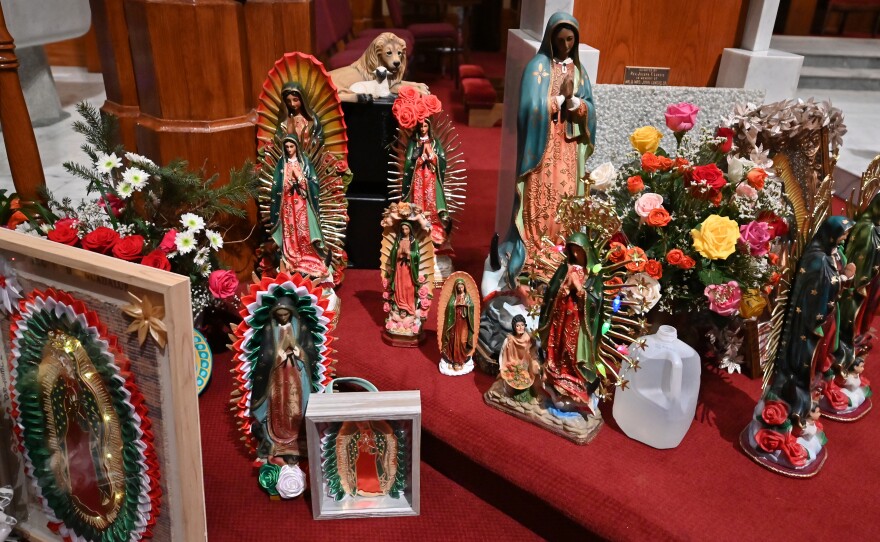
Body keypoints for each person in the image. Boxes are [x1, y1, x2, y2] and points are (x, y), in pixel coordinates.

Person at [502, 12, 596, 285]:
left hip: (567, 149)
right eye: (561, 39)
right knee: (539, 196)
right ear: (551, 39)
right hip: (541, 148)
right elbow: (528, 109)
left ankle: (561, 251)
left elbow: (591, 108)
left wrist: (577, 106)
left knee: (564, 196)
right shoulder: (537, 67)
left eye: (570, 40)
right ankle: (534, 252)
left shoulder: (579, 72)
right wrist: (556, 101)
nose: (566, 45)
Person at [538, 232, 605, 410]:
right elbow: (553, 292)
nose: (575, 255)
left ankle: (574, 379)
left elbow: (595, 301)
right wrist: (565, 289)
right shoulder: (566, 268)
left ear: (587, 252)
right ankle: (557, 374)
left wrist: (580, 289)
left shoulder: (593, 274)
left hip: (579, 321)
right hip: (562, 317)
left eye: (579, 251)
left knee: (572, 349)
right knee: (559, 345)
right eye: (573, 251)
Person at [252, 299, 313, 463]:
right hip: (278, 375)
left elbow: (309, 349)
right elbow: (266, 353)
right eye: (280, 316)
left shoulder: (299, 326)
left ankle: (296, 437)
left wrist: (298, 351)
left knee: (296, 407)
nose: (283, 318)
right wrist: (278, 355)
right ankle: (277, 439)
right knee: (280, 404)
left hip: (297, 374)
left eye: (286, 315)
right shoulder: (271, 328)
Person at [269, 136, 329, 279]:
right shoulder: (282, 164)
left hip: (302, 204)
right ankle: (291, 258)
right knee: (290, 232)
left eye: (292, 146)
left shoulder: (304, 163)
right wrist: (286, 185)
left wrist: (301, 178)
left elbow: (314, 183)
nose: (289, 150)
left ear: (297, 147)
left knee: (303, 232)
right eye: (287, 147)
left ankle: (307, 256)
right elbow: (276, 186)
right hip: (288, 205)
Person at [402, 119, 449, 245]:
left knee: (431, 201)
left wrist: (433, 157)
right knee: (417, 202)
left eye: (425, 126)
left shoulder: (434, 142)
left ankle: (433, 230)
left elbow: (442, 159)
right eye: (421, 126)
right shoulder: (414, 142)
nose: (423, 129)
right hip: (417, 177)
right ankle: (417, 229)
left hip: (430, 177)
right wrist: (419, 161)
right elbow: (408, 161)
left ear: (429, 127)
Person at [498, 314, 540, 395]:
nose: (520, 327)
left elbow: (533, 353)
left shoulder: (529, 340)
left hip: (525, 367)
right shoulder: (509, 340)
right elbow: (502, 354)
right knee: (510, 390)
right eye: (517, 326)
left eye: (522, 325)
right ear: (514, 327)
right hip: (511, 366)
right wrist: (501, 367)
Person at [441, 278, 475, 370]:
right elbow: (449, 307)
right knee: (454, 340)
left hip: (464, 322)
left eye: (462, 287)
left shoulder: (467, 297)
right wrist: (454, 306)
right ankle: (455, 360)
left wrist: (467, 306)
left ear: (464, 287)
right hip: (455, 322)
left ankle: (463, 357)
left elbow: (472, 307)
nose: (460, 289)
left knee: (462, 341)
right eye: (459, 288)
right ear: (456, 288)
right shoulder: (454, 297)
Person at [388, 222, 420, 318]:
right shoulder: (398, 240)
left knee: (408, 286)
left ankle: (409, 306)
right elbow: (393, 253)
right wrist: (398, 252)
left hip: (408, 267)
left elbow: (417, 255)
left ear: (410, 229)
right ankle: (400, 306)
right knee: (400, 286)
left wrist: (409, 253)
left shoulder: (414, 241)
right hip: (399, 267)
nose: (404, 231)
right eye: (403, 229)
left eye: (406, 229)